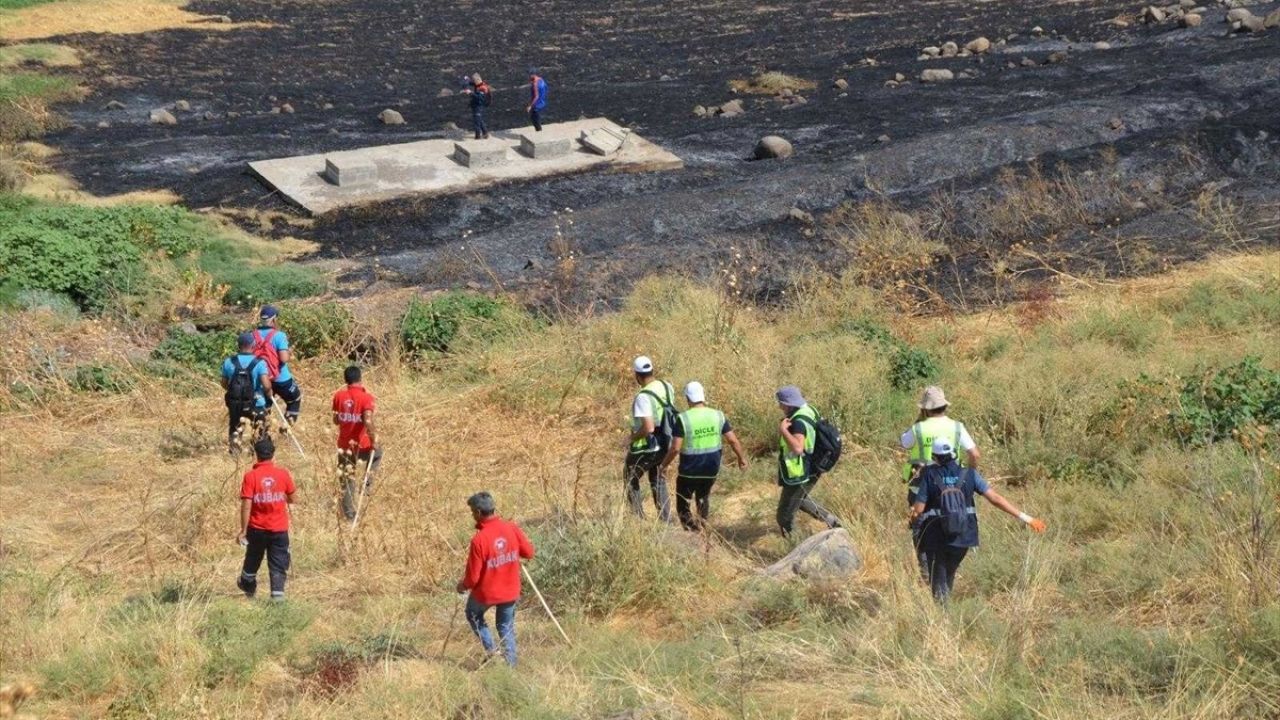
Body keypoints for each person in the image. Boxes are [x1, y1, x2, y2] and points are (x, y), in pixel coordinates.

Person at [909, 438, 1046, 601]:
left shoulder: (929, 475)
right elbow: (995, 499)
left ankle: (942, 621)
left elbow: (918, 510)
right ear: (954, 454)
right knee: (948, 575)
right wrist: (1027, 518)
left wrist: (912, 518)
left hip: (936, 538)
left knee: (938, 582)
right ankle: (945, 609)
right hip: (964, 537)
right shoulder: (970, 474)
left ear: (934, 456)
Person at [901, 385, 980, 576]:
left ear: (926, 408)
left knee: (920, 526)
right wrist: (968, 474)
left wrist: (919, 420)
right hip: (952, 487)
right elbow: (974, 454)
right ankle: (947, 568)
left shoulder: (918, 428)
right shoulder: (956, 427)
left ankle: (926, 571)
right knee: (950, 522)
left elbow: (904, 443)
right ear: (944, 406)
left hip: (920, 486)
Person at [456, 492, 535, 667]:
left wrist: (462, 586)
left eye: (471, 512)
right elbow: (529, 553)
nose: (471, 516)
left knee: (473, 613)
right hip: (510, 590)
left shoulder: (479, 540)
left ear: (478, 512)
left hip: (487, 593)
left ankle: (492, 651)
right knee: (505, 627)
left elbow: (473, 578)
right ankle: (511, 667)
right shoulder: (511, 528)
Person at [660, 381, 747, 531]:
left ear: (688, 398)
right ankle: (703, 527)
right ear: (703, 397)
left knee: (683, 502)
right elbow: (732, 440)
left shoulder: (683, 418)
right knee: (703, 498)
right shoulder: (718, 415)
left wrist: (663, 465)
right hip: (711, 469)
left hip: (689, 471)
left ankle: (691, 532)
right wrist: (741, 459)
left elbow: (675, 448)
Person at [774, 385, 842, 536]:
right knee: (801, 500)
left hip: (800, 472)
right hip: (815, 466)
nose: (779, 406)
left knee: (783, 517)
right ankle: (833, 522)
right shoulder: (810, 409)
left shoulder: (797, 421)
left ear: (787, 403)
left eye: (780, 403)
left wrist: (783, 430)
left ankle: (797, 546)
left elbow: (798, 448)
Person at [237, 437, 297, 600]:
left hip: (257, 529)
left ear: (256, 455)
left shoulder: (251, 477)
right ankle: (277, 599)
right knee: (278, 564)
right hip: (279, 529)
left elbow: (246, 505)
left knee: (253, 558)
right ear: (273, 455)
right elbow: (292, 498)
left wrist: (243, 530)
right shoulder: (283, 474)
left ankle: (247, 584)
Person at [624, 356, 675, 521]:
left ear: (637, 375)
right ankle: (665, 520)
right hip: (667, 441)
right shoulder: (666, 386)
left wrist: (631, 438)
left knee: (630, 476)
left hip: (651, 445)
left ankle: (637, 519)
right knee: (657, 478)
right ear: (652, 370)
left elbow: (648, 427)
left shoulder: (643, 396)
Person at [332, 365, 381, 521]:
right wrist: (374, 440)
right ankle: (366, 486)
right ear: (360, 379)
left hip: (344, 446)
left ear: (345, 380)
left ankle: (349, 514)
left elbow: (335, 420)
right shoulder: (367, 398)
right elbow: (367, 419)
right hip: (363, 445)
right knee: (378, 454)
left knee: (347, 478)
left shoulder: (339, 396)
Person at [252, 305, 303, 425]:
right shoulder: (279, 335)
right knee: (295, 399)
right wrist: (289, 352)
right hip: (281, 378)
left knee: (265, 406)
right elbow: (284, 359)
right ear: (274, 320)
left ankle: (262, 434)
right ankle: (286, 429)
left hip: (261, 378)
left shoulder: (252, 335)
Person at [222, 332, 272, 452]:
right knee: (260, 427)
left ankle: (234, 451)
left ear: (238, 345)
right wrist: (269, 393)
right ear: (253, 345)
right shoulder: (259, 363)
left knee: (235, 427)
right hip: (256, 402)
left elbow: (224, 383)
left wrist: (234, 392)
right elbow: (266, 385)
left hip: (235, 403)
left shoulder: (229, 362)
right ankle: (256, 451)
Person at [464, 73, 492, 140]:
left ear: (477, 80)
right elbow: (470, 83)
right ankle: (485, 133)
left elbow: (480, 98)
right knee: (480, 120)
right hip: (475, 105)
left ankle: (477, 136)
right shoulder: (478, 84)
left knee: (477, 122)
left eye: (474, 81)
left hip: (479, 106)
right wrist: (467, 79)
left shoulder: (483, 88)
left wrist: (470, 93)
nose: (473, 83)